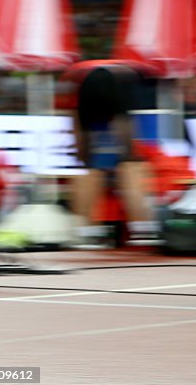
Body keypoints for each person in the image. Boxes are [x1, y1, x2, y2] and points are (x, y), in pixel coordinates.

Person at [66, 61, 156, 246]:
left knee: (90, 171)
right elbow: (125, 128)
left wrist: (85, 158)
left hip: (97, 148)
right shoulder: (123, 101)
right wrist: (130, 155)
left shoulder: (83, 108)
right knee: (130, 170)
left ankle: (86, 231)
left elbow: (80, 137)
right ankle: (143, 230)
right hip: (114, 148)